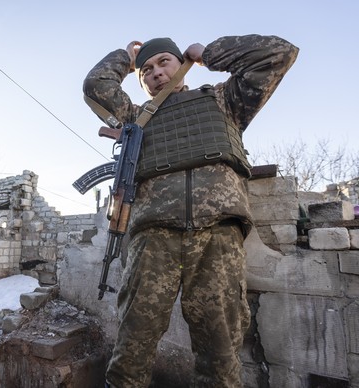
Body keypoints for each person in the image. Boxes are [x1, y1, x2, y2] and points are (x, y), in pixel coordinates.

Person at [83, 35, 298, 387]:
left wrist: (208, 54)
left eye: (164, 62)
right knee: (133, 343)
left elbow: (278, 54)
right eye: (146, 70)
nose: (155, 72)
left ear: (181, 63)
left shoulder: (224, 99)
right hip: (153, 237)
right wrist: (126, 58)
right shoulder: (136, 117)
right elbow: (95, 84)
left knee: (221, 350)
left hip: (217, 236)